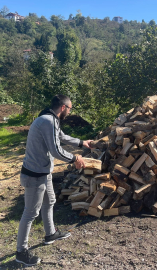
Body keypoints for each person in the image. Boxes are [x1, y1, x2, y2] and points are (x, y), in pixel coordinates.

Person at [15, 94, 93, 266]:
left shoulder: (50, 118)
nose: (70, 111)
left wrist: (82, 143)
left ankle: (50, 234)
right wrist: (75, 159)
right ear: (64, 108)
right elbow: (56, 150)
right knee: (30, 213)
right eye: (70, 108)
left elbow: (62, 137)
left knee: (50, 200)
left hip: (43, 171)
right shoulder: (48, 121)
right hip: (35, 175)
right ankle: (21, 252)